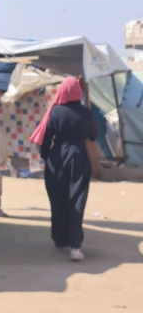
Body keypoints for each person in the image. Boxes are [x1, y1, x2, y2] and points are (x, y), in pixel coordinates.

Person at [31, 76, 99, 261]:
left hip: (57, 157)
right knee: (77, 199)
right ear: (78, 91)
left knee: (58, 198)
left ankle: (60, 239)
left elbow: (45, 140)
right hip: (78, 157)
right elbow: (94, 135)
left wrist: (47, 157)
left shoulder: (55, 111)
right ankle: (75, 246)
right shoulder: (87, 113)